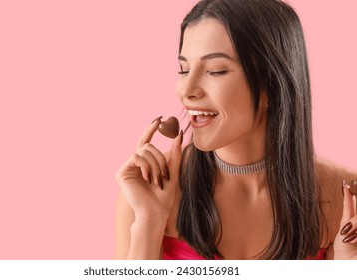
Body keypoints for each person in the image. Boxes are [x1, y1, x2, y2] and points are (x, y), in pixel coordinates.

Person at [114, 0, 357, 260]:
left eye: (215, 71)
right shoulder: (148, 189)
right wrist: (150, 221)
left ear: (273, 83)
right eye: (183, 69)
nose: (187, 90)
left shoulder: (340, 197)